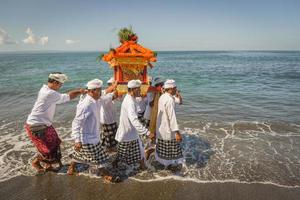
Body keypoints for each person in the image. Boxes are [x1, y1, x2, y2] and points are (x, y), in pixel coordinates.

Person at [25, 72, 85, 173]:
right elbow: (68, 97)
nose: (60, 86)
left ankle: (49, 165)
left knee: (55, 143)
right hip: (36, 126)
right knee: (47, 150)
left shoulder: (45, 89)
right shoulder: (49, 93)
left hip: (43, 124)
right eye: (60, 84)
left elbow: (61, 98)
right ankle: (36, 162)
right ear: (55, 82)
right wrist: (80, 91)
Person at [68, 79, 120, 182]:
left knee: (79, 155)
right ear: (91, 91)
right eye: (99, 90)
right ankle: (106, 176)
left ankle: (71, 168)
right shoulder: (86, 105)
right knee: (97, 159)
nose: (101, 92)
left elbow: (107, 93)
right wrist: (77, 140)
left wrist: (115, 87)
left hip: (93, 135)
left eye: (100, 90)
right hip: (86, 138)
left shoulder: (96, 98)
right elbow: (76, 123)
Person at [114, 80, 150, 170]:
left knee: (140, 151)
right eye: (138, 89)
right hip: (126, 134)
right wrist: (147, 132)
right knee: (120, 156)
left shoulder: (131, 98)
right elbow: (134, 120)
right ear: (133, 90)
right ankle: (113, 169)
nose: (140, 91)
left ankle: (143, 167)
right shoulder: (130, 101)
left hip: (132, 133)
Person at [155, 79, 184, 169]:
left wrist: (178, 94)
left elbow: (180, 101)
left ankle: (164, 165)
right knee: (171, 151)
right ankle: (169, 167)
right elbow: (172, 117)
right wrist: (177, 132)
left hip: (161, 129)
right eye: (175, 88)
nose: (176, 89)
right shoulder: (169, 100)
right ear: (171, 88)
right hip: (168, 130)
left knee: (164, 150)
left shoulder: (164, 96)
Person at [99, 77, 119, 152]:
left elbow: (118, 96)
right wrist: (115, 87)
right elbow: (114, 95)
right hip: (107, 120)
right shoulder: (105, 96)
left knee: (109, 136)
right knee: (108, 136)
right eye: (110, 85)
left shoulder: (107, 94)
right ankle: (109, 149)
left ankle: (108, 149)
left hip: (111, 119)